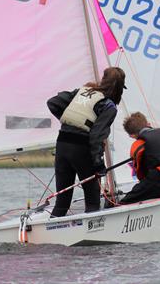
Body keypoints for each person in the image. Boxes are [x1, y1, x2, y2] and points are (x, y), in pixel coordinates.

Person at [46, 67, 124, 217]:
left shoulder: (81, 92)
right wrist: (99, 164)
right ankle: (92, 235)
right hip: (81, 149)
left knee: (62, 202)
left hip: (62, 143)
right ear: (119, 88)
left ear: (103, 80)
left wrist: (70, 122)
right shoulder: (108, 106)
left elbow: (53, 103)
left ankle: (50, 234)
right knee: (93, 198)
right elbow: (96, 137)